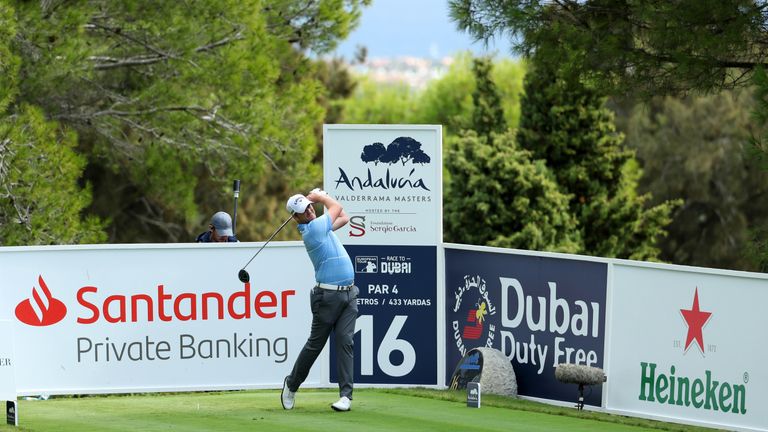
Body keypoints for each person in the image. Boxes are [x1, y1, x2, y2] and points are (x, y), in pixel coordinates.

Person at [281, 188, 358, 412]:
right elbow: (336, 208)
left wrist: (318, 198)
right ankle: (291, 384)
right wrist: (319, 196)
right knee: (315, 345)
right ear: (296, 218)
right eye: (303, 210)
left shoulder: (320, 227)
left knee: (345, 342)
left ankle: (345, 397)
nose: (309, 210)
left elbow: (344, 217)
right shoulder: (313, 230)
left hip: (349, 294)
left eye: (309, 206)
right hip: (327, 297)